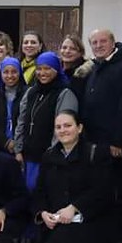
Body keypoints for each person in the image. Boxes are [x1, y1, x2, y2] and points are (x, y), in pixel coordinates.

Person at [32, 111, 114, 243]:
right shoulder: (49, 156)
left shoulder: (96, 153)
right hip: (55, 219)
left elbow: (104, 189)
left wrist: (75, 207)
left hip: (89, 218)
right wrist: (43, 213)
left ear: (79, 127)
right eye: (58, 127)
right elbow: (40, 191)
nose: (63, 130)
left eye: (68, 125)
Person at [81, 28, 122, 243]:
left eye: (102, 41)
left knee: (119, 191)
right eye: (94, 42)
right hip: (94, 141)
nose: (98, 45)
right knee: (100, 188)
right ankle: (105, 233)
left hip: (114, 144)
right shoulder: (97, 67)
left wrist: (118, 141)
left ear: (113, 42)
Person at [14, 52, 78, 193]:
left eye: (47, 68)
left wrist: (52, 154)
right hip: (28, 157)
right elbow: (21, 122)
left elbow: (64, 129)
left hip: (50, 158)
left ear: (57, 69)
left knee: (44, 194)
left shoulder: (64, 93)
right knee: (27, 193)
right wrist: (18, 149)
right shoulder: (31, 92)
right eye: (39, 68)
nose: (42, 73)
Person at [59, 34, 90, 100]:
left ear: (80, 53)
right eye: (64, 48)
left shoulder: (84, 74)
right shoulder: (55, 70)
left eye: (73, 49)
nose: (67, 51)